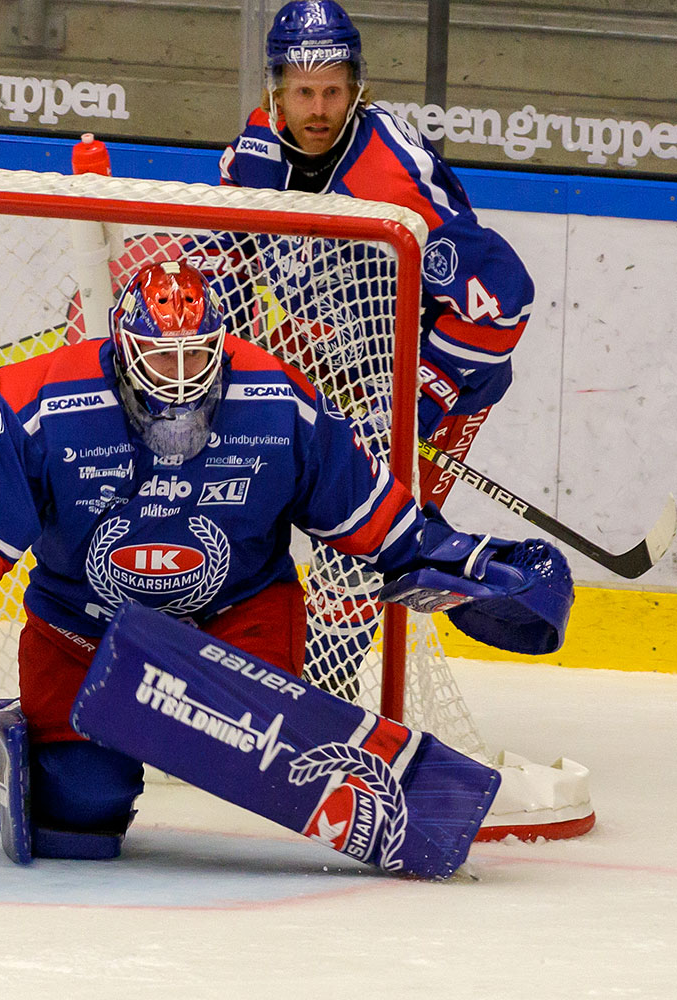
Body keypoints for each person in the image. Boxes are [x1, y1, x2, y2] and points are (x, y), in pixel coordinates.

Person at [0, 260, 570, 862]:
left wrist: (467, 566)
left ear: (222, 347)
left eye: (195, 356)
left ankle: (194, 710)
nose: (178, 377)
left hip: (235, 616)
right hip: (81, 626)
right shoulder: (31, 405)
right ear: (120, 351)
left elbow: (376, 521)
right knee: (82, 813)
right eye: (159, 357)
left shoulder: (279, 400)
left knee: (256, 735)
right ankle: (20, 748)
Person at [217, 0, 537, 696]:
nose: (319, 107)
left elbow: (503, 300)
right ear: (276, 91)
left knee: (358, 544)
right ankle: (244, 667)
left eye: (334, 89)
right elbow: (229, 256)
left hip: (432, 387)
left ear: (357, 87)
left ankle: (328, 699)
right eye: (304, 91)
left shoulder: (392, 176)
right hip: (332, 363)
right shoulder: (255, 154)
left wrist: (410, 404)